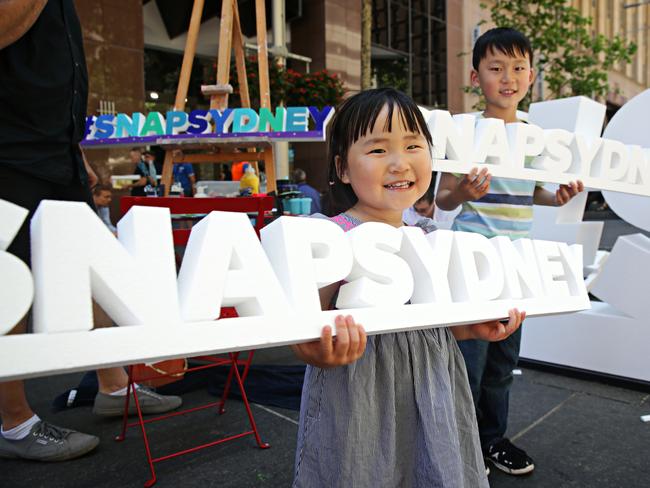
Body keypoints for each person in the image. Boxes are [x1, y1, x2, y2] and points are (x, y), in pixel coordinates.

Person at [290, 88, 526, 487]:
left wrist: (469, 329)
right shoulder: (331, 237)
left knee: (432, 467)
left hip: (434, 386)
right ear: (343, 169)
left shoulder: (430, 234)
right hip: (359, 389)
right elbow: (304, 324)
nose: (400, 163)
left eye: (414, 145)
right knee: (363, 469)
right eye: (378, 150)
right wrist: (316, 350)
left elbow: (428, 317)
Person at [0, 0, 181, 463]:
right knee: (9, 281)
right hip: (10, 148)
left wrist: (73, 147)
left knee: (92, 268)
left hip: (54, 147)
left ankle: (114, 387)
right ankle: (13, 422)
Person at [435, 27, 584, 476]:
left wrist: (553, 198)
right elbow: (443, 198)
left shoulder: (536, 137)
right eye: (496, 68)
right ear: (476, 75)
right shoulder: (465, 131)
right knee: (469, 364)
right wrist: (462, 189)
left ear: (531, 75)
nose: (508, 77)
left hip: (516, 266)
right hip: (472, 263)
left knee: (503, 362)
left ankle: (491, 441)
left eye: (518, 68)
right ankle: (458, 448)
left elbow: (531, 192)